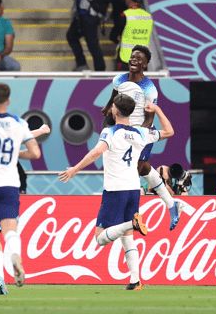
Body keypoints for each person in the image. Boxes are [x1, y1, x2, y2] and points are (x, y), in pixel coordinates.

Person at [59, 94, 174, 290]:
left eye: (113, 106)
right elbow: (169, 132)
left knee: (100, 238)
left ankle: (133, 222)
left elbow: (96, 152)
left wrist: (74, 169)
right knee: (127, 237)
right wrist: (158, 110)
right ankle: (135, 280)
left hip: (115, 190)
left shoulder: (109, 132)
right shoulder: (140, 133)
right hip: (133, 189)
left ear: (115, 110)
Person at [0, 83, 49, 299]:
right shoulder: (19, 123)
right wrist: (14, 154)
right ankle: (15, 257)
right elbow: (35, 153)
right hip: (9, 184)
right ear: (9, 101)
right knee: (10, 229)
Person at [101, 45, 182, 231]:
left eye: (139, 59)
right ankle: (171, 203)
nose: (134, 60)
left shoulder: (150, 90)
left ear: (145, 64)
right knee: (143, 167)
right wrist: (107, 111)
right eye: (132, 57)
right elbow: (115, 96)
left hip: (141, 132)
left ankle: (130, 215)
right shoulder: (119, 79)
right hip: (124, 127)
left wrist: (137, 138)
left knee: (135, 168)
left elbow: (149, 118)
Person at [115, 0, 152, 71]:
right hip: (142, 60)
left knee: (124, 84)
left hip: (126, 59)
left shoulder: (125, 15)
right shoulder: (148, 17)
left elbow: (114, 34)